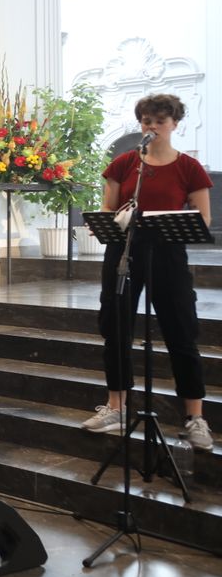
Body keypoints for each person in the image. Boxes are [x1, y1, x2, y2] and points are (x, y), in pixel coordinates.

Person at [82, 93, 214, 452]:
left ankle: (194, 417)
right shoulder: (124, 164)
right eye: (146, 121)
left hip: (168, 255)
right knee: (116, 328)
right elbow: (107, 208)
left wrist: (165, 219)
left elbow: (203, 219)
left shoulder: (189, 167)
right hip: (124, 253)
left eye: (159, 120)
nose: (151, 127)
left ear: (174, 124)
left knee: (181, 331)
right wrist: (111, 219)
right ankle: (116, 408)